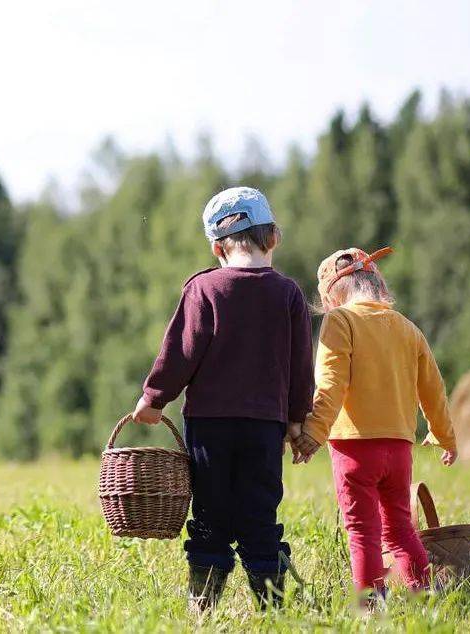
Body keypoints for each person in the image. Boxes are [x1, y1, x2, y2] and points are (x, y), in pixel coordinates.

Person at [131, 187, 314, 613]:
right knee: (259, 514)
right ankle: (273, 610)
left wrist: (154, 398)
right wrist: (295, 418)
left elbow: (181, 350)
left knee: (210, 514)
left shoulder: (204, 289)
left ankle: (203, 609)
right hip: (265, 425)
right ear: (273, 238)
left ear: (217, 246)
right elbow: (300, 364)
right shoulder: (287, 293)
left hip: (210, 425)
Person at [292, 247, 457, 607]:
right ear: (377, 284)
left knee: (363, 531)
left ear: (332, 296)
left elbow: (330, 384)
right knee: (399, 527)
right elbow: (434, 390)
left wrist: (313, 434)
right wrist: (444, 435)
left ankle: (371, 606)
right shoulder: (409, 329)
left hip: (354, 449)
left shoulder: (341, 322)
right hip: (399, 448)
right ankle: (425, 596)